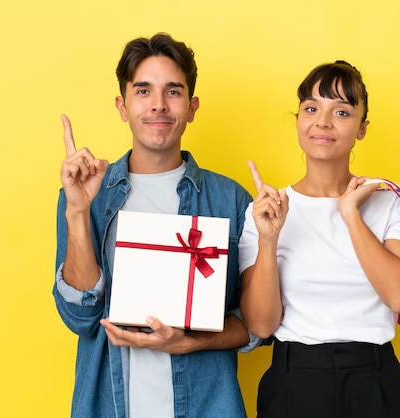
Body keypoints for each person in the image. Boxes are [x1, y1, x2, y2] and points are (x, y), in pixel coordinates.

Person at [54, 33, 256, 418]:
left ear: (193, 106)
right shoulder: (83, 194)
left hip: (207, 405)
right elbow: (80, 319)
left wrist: (194, 342)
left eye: (173, 92)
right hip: (109, 405)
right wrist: (79, 211)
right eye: (143, 91)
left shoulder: (231, 200)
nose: (159, 106)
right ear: (122, 105)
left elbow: (258, 326)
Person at [238, 61, 400, 417]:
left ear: (362, 129)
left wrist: (351, 214)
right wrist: (267, 240)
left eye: (341, 111)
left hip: (375, 382)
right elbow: (261, 325)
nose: (322, 121)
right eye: (311, 108)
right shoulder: (267, 210)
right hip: (294, 382)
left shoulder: (389, 204)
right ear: (298, 121)